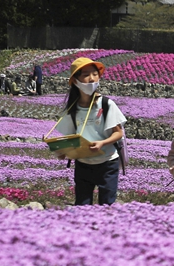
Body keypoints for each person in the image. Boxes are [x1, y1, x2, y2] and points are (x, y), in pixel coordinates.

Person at [54, 57, 127, 206]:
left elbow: (119, 133)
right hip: (83, 164)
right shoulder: (72, 108)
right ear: (75, 81)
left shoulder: (106, 104)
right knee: (82, 205)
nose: (91, 78)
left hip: (107, 163)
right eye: (86, 75)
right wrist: (62, 150)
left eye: (95, 74)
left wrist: (102, 143)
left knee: (106, 206)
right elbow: (70, 137)